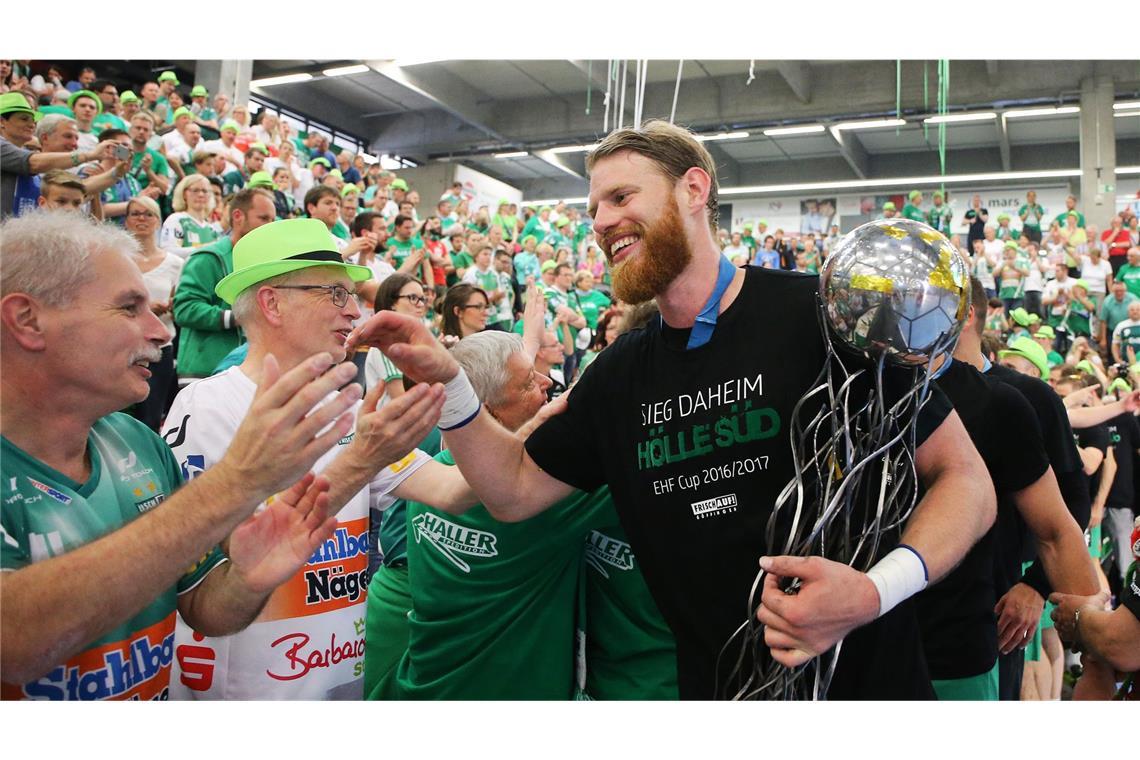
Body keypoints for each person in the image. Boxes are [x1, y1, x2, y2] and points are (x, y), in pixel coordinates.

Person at [347, 119, 995, 700]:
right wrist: (451, 384)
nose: (599, 220)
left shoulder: (819, 319)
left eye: (621, 197)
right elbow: (510, 490)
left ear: (694, 189)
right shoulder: (621, 374)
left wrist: (876, 590)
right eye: (594, 206)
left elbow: (966, 479)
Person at [0, 210, 377, 700]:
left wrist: (251, 577)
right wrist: (238, 482)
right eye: (129, 308)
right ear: (28, 320)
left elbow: (206, 610)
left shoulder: (139, 444)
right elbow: (14, 643)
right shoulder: (205, 409)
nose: (161, 332)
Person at [162, 217, 471, 700]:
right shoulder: (207, 406)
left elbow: (455, 490)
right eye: (335, 294)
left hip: (338, 687)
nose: (354, 311)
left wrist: (465, 394)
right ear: (271, 303)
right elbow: (206, 578)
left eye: (352, 295)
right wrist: (359, 460)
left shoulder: (348, 408)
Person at [172, 187, 276, 380]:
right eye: (263, 218)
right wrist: (237, 316)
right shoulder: (209, 257)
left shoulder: (262, 263)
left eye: (272, 220)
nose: (270, 226)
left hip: (244, 373)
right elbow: (184, 309)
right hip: (203, 371)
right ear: (238, 216)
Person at [161, 174, 224, 258]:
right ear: (184, 194)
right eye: (195, 190)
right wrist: (204, 248)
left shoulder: (212, 229)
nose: (201, 194)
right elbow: (169, 252)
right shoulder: (176, 220)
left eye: (205, 191)